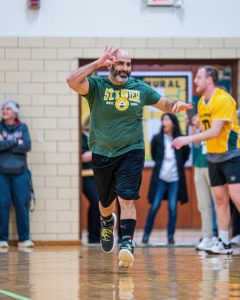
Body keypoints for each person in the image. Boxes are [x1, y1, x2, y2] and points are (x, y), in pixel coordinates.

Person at [67, 46, 192, 267]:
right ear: (111, 65)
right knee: (105, 202)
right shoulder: (96, 86)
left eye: (128, 64)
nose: (126, 68)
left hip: (131, 151)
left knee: (126, 197)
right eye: (121, 63)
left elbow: (164, 103)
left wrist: (175, 105)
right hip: (102, 153)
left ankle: (127, 242)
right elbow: (71, 81)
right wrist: (97, 63)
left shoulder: (139, 88)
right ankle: (107, 222)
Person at [173, 65, 240, 255]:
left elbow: (216, 131)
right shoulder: (202, 103)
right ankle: (224, 242)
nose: (195, 81)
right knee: (220, 201)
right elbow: (205, 132)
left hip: (232, 155)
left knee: (237, 198)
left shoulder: (223, 99)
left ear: (209, 80)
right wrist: (193, 128)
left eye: (198, 77)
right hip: (213, 158)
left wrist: (187, 139)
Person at [142, 113, 190, 245]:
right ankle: (146, 235)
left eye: (167, 119)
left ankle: (170, 237)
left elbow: (185, 156)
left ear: (173, 123)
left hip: (175, 179)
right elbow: (153, 155)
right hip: (160, 179)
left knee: (172, 208)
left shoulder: (180, 139)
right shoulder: (157, 138)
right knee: (155, 206)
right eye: (163, 119)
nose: (164, 122)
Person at [0, 100, 34, 249]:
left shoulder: (23, 127)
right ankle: (2, 239)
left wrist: (6, 144)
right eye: (3, 109)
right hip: (2, 173)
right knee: (2, 205)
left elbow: (27, 145)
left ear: (14, 112)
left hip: (21, 173)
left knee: (22, 205)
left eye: (7, 109)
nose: (4, 111)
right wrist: (16, 142)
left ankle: (24, 239)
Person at [187, 114, 218, 251]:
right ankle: (207, 236)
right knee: (203, 204)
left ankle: (218, 236)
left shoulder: (215, 126)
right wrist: (193, 126)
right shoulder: (199, 129)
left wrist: (199, 125)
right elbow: (197, 143)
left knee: (218, 203)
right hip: (199, 166)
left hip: (213, 165)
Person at [81, 116, 100, 244]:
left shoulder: (98, 137)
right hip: (85, 176)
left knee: (100, 205)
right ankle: (92, 236)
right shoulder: (81, 137)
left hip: (99, 176)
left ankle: (97, 236)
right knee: (95, 201)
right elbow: (83, 157)